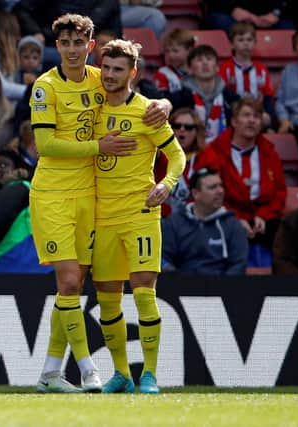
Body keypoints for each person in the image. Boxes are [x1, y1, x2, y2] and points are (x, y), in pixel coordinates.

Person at [29, 14, 171, 393]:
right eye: (65, 43)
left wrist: (164, 103)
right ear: (56, 46)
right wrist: (98, 147)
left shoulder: (98, 79)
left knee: (72, 288)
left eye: (79, 43)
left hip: (90, 198)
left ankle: (49, 374)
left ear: (90, 46)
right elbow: (44, 147)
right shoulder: (44, 87)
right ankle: (89, 370)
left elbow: (134, 98)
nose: (73, 50)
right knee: (71, 281)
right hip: (52, 196)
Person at [92, 39, 185, 394]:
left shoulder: (148, 111)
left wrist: (167, 184)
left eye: (118, 69)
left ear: (133, 73)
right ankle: (121, 374)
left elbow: (177, 156)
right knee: (107, 298)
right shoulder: (93, 109)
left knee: (144, 292)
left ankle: (150, 374)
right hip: (103, 216)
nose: (111, 75)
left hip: (140, 211)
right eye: (107, 68)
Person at [195, 97, 286, 252]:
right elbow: (207, 194)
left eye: (256, 116)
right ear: (234, 122)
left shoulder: (269, 152)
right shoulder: (214, 152)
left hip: (264, 220)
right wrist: (235, 218)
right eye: (246, 115)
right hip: (224, 217)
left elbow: (279, 192)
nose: (251, 120)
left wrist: (263, 216)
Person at [162, 167, 248, 274]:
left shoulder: (232, 224)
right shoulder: (175, 223)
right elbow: (163, 258)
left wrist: (225, 288)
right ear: (195, 193)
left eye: (221, 185)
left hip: (222, 287)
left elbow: (239, 264)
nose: (220, 191)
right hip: (182, 287)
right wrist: (178, 281)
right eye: (212, 187)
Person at [12, 0, 122, 70]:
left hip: (87, 49)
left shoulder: (109, 3)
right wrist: (35, 32)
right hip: (50, 43)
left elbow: (116, 34)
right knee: (31, 56)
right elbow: (21, 9)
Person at [169, 45, 240, 143]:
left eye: (209, 59)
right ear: (190, 69)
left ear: (217, 67)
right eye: (199, 60)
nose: (205, 63)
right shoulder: (178, 98)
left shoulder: (230, 97)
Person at [219, 21, 274, 127]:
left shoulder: (261, 69)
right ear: (231, 44)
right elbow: (224, 98)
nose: (246, 43)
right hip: (233, 117)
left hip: (258, 117)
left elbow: (268, 97)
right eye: (241, 40)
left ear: (255, 43)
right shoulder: (225, 68)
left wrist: (269, 119)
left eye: (249, 40)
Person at [205, 0, 294, 33]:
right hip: (233, 18)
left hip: (270, 19)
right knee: (220, 21)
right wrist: (232, 9)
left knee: (289, 28)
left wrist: (276, 13)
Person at [153, 28, 195, 94]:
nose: (170, 55)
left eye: (175, 51)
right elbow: (161, 98)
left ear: (189, 50)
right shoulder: (163, 73)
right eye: (167, 51)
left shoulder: (198, 71)